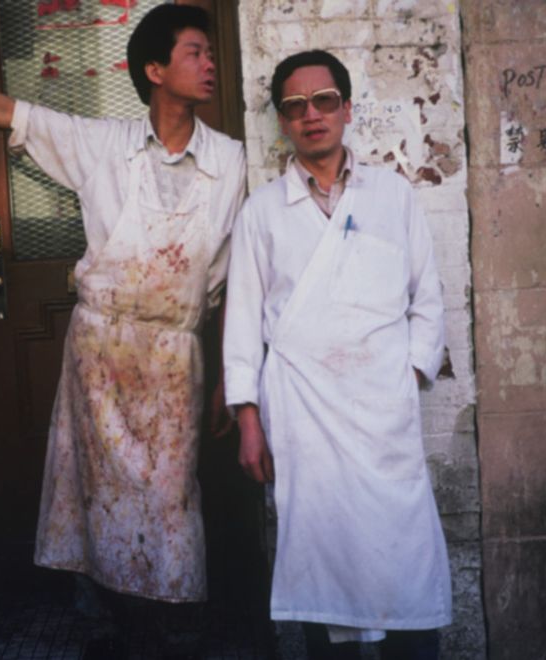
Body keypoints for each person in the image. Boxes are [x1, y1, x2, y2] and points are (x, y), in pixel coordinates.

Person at [0, 4, 245, 656]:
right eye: (195, 52)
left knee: (170, 498)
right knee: (99, 495)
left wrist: (228, 381)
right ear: (155, 70)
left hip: (177, 354)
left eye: (212, 53)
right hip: (101, 352)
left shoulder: (231, 160)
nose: (210, 64)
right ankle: (115, 625)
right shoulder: (101, 144)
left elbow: (237, 277)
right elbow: (1, 110)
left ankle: (171, 629)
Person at [223, 49, 452, 660]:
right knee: (320, 567)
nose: (312, 115)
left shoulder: (392, 196)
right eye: (295, 106)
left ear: (347, 108)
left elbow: (427, 300)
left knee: (404, 564)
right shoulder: (262, 213)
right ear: (282, 121)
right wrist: (249, 421)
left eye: (324, 100)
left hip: (382, 416)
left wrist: (404, 376)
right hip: (304, 417)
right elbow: (241, 324)